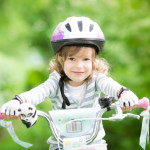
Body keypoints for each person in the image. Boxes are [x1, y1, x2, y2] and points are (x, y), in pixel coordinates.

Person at [1, 16, 139, 150]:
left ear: (93, 61)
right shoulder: (56, 81)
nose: (79, 66)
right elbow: (38, 92)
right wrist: (17, 102)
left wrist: (124, 94)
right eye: (72, 58)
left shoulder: (96, 78)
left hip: (93, 144)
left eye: (85, 59)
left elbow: (110, 85)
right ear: (61, 59)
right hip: (61, 145)